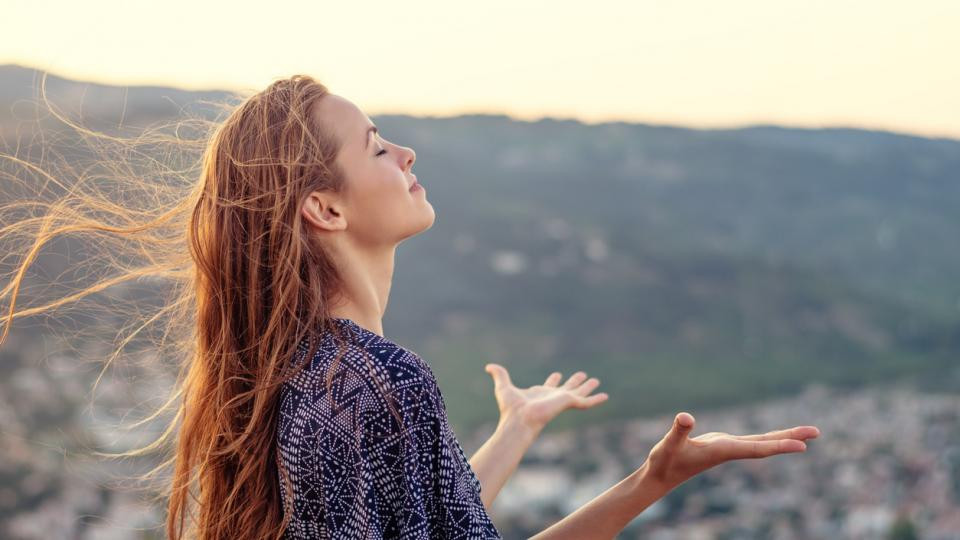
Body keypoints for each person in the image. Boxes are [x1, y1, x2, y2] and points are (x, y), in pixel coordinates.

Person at [0, 73, 820, 540]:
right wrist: (650, 481)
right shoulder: (376, 383)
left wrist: (517, 434)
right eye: (376, 145)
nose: (406, 151)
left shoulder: (318, 379)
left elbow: (431, 522)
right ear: (324, 208)